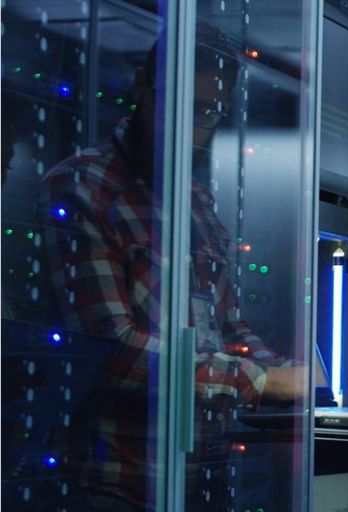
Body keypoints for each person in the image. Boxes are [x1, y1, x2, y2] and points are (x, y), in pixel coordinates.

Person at [39, 25, 305, 510]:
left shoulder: (196, 203)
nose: (189, 126)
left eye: (205, 112)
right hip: (114, 485)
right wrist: (261, 380)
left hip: (198, 478)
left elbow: (229, 330)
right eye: (178, 103)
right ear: (142, 84)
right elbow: (110, 350)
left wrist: (302, 376)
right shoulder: (82, 187)